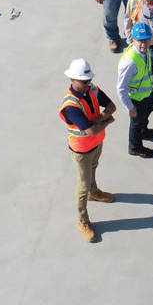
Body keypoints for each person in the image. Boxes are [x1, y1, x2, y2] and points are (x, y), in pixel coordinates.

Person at [58, 58, 117, 243]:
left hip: (96, 143)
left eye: (89, 80)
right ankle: (83, 220)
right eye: (84, 81)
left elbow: (111, 106)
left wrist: (100, 120)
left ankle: (95, 191)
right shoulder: (71, 106)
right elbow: (90, 130)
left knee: (94, 168)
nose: (87, 84)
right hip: (82, 149)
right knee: (82, 185)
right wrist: (106, 120)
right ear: (72, 80)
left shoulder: (92, 89)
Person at [116, 22, 153, 158]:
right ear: (133, 39)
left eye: (146, 40)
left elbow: (147, 68)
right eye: (139, 41)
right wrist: (130, 107)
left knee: (148, 111)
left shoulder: (145, 52)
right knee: (136, 122)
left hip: (146, 94)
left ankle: (143, 131)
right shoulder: (129, 62)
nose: (143, 44)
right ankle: (134, 147)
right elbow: (121, 88)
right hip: (135, 99)